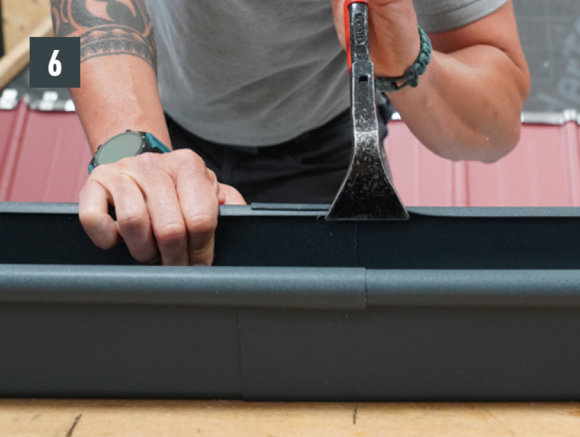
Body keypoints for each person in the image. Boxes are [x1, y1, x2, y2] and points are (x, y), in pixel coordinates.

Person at [50, 0, 530, 266]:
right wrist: (130, 147)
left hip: (326, 143)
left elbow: (501, 126)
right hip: (160, 127)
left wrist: (406, 62)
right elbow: (59, 39)